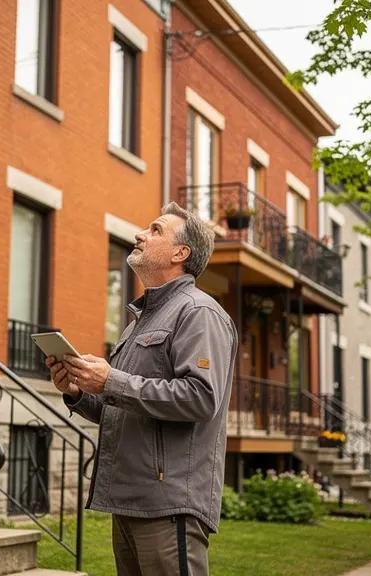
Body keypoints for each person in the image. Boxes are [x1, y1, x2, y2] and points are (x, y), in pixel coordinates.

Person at [45, 202, 237, 576]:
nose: (140, 234)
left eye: (155, 230)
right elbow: (126, 405)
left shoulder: (199, 312)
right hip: (130, 499)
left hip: (168, 503)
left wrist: (110, 380)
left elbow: (200, 398)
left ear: (181, 253)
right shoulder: (140, 320)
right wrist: (79, 392)